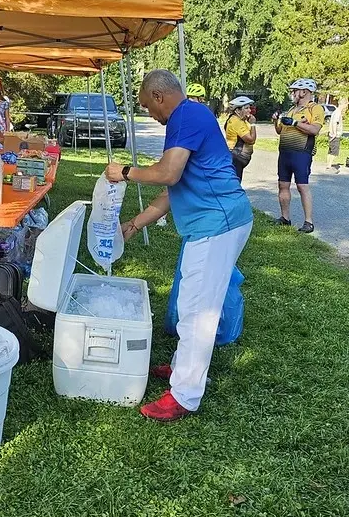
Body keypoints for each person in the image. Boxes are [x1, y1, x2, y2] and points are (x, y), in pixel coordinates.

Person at [105, 69, 253, 422]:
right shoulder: (191, 118)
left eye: (146, 106)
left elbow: (167, 173)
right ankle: (181, 370)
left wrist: (123, 171)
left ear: (158, 97)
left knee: (198, 311)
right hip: (214, 223)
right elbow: (172, 189)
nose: (149, 115)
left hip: (218, 223)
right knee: (191, 300)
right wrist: (135, 223)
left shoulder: (186, 115)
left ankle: (185, 396)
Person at [272, 78, 324, 233]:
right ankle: (285, 218)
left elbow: (315, 130)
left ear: (304, 92)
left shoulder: (315, 108)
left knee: (302, 186)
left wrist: (294, 123)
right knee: (283, 185)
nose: (292, 93)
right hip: (285, 153)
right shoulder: (291, 110)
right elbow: (280, 130)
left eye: (294, 91)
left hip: (301, 153)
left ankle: (308, 222)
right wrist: (276, 121)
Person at [224, 96, 257, 181]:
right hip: (236, 156)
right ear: (237, 110)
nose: (249, 110)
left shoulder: (241, 120)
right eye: (246, 108)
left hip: (238, 157)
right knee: (235, 185)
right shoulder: (236, 121)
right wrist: (253, 124)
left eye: (249, 108)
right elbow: (251, 140)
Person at [327, 103, 344, 171]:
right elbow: (335, 122)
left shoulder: (335, 111)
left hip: (331, 134)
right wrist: (334, 133)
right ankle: (329, 165)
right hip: (335, 135)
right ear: (343, 104)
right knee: (334, 152)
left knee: (330, 150)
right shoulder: (338, 112)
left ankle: (328, 164)